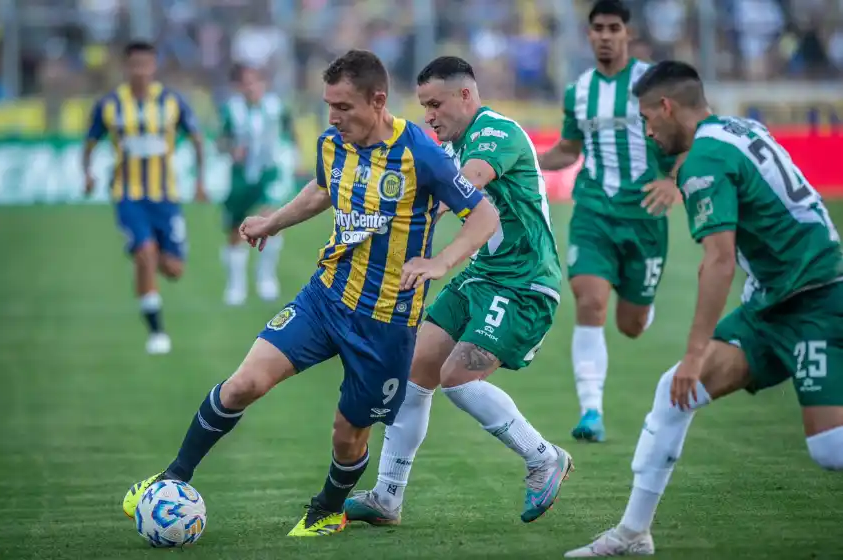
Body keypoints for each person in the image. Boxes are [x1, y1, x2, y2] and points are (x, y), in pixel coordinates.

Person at [120, 49, 500, 539]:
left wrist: (440, 262)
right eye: (328, 105)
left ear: (377, 100)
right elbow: (323, 189)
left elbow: (484, 217)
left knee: (348, 435)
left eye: (343, 107)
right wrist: (272, 222)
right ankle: (172, 477)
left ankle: (326, 509)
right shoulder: (331, 142)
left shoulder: (420, 153)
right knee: (242, 385)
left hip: (385, 322)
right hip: (323, 298)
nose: (333, 117)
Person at [564, 60, 843, 557]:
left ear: (667, 108)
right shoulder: (742, 128)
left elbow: (717, 262)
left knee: (827, 449)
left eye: (648, 119)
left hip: (816, 299)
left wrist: (695, 353)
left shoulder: (702, 161)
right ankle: (633, 534)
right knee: (672, 396)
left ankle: (633, 533)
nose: (647, 132)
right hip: (775, 302)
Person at [345, 56, 573, 527]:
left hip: (524, 281)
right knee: (415, 371)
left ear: (465, 96)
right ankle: (387, 498)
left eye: (435, 104)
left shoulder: (495, 133)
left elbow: (465, 186)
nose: (429, 115)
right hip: (483, 275)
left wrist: (435, 253)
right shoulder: (451, 144)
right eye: (424, 106)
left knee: (458, 377)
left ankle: (543, 457)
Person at [537, 0, 680, 442]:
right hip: (594, 212)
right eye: (597, 27)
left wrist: (674, 181)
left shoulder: (652, 83)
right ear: (588, 34)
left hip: (644, 217)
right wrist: (527, 160)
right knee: (590, 299)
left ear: (627, 33)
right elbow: (569, 148)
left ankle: (642, 304)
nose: (604, 35)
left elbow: (685, 138)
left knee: (631, 326)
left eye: (613, 27)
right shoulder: (578, 91)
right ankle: (591, 411)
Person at [83, 40, 207, 355]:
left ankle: (150, 257)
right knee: (146, 253)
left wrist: (200, 180)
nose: (141, 71)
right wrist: (87, 173)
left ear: (154, 67)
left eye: (146, 64)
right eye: (135, 64)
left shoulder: (171, 102)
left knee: (173, 269)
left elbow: (196, 138)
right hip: (128, 195)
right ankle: (156, 331)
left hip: (166, 197)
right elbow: (90, 141)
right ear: (126, 67)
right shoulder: (110, 105)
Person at [219, 64, 298, 306]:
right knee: (235, 232)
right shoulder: (231, 111)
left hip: (269, 174)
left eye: (255, 81)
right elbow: (221, 141)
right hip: (241, 178)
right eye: (245, 83)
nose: (251, 87)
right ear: (238, 86)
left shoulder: (276, 107)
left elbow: (291, 132)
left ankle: (266, 279)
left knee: (271, 220)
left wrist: (296, 157)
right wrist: (232, 149)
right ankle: (236, 285)